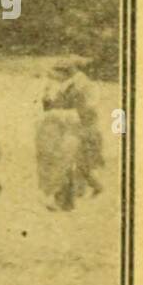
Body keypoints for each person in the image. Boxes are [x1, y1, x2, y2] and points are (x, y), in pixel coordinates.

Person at [42, 58, 104, 199]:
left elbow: (86, 111)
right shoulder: (65, 87)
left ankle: (63, 196)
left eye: (55, 75)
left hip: (83, 130)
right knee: (77, 163)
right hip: (71, 129)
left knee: (70, 161)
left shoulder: (83, 87)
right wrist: (46, 98)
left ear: (65, 73)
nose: (53, 78)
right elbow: (53, 107)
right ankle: (95, 187)